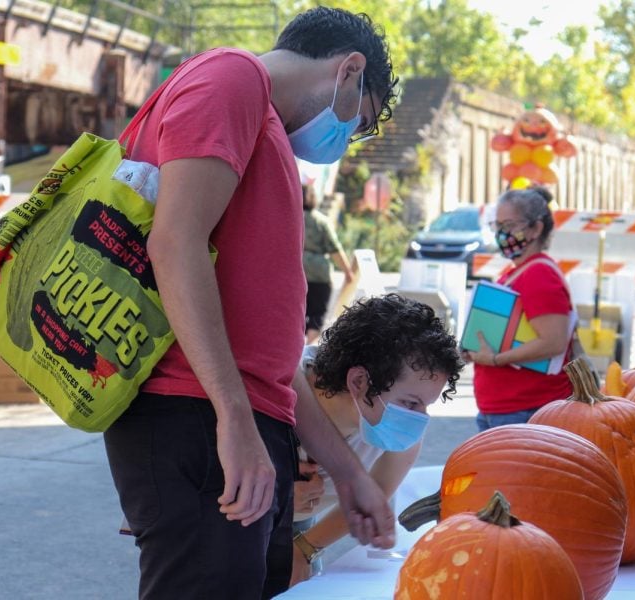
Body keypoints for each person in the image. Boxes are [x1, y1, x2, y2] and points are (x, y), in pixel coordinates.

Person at [102, 7, 400, 599]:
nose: (343, 138)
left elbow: (273, 355)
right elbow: (175, 243)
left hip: (230, 419)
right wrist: (235, 421)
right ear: (349, 70)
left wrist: (349, 475)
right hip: (196, 415)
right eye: (356, 123)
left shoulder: (259, 125)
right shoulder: (232, 80)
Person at [289, 294, 464, 585]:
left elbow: (372, 498)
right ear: (358, 382)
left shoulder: (399, 436)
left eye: (427, 405)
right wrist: (276, 501)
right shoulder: (282, 391)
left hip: (299, 529)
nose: (420, 419)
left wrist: (304, 549)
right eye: (410, 404)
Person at [461, 186, 575, 430]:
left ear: (536, 228)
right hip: (508, 409)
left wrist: (495, 359)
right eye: (498, 226)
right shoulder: (519, 272)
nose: (502, 234)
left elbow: (553, 342)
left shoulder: (538, 274)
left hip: (525, 409)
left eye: (510, 225)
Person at [302, 184, 355, 343]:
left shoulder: (289, 218)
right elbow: (334, 248)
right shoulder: (321, 221)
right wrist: (348, 271)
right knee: (317, 314)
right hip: (319, 274)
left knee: (295, 312)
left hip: (295, 271)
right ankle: (306, 349)